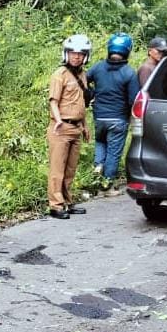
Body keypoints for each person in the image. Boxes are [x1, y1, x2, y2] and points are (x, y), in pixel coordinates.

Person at [86, 33, 140, 196]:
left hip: (99, 117)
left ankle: (98, 166)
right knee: (114, 152)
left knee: (100, 142)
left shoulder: (97, 67)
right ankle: (107, 186)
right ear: (127, 50)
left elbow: (83, 79)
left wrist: (91, 94)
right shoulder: (129, 73)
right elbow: (133, 100)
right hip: (118, 119)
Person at [46, 34, 93, 220]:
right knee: (57, 169)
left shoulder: (82, 74)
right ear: (67, 53)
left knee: (70, 169)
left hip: (76, 128)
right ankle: (55, 205)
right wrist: (58, 120)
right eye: (73, 53)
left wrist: (85, 126)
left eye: (81, 54)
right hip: (61, 127)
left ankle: (67, 200)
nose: (77, 57)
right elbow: (53, 101)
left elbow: (81, 103)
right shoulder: (60, 74)